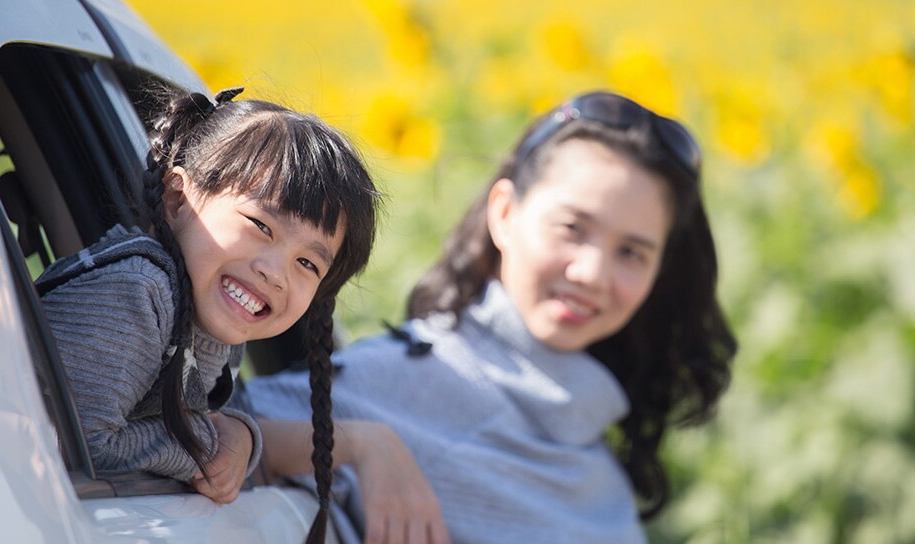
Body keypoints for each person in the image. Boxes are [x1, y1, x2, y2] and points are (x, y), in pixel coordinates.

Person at [244, 90, 738, 543]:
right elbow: (195, 438)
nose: (592, 272)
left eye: (632, 252)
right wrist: (358, 445)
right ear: (503, 213)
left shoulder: (583, 422)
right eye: (572, 227)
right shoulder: (416, 377)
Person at [37, 87, 382, 544]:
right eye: (261, 226)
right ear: (178, 199)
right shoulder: (138, 289)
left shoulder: (213, 319)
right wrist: (205, 446)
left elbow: (217, 417)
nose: (274, 272)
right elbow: (76, 447)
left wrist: (240, 435)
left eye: (307, 264)